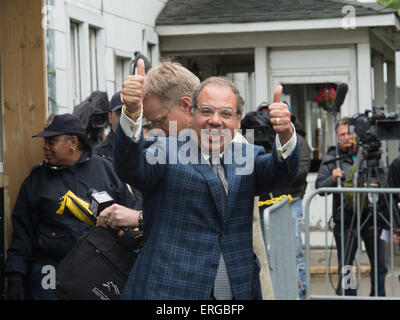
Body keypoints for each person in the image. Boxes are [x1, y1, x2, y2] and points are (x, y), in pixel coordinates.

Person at [113, 64, 300, 299]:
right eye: (207, 111)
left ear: (238, 120)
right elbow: (130, 166)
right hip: (170, 294)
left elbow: (283, 172)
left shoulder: (248, 156)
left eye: (226, 113)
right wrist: (131, 112)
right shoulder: (165, 150)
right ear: (191, 113)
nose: (215, 121)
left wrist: (286, 134)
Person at [4, 114, 141, 300]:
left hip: (99, 269)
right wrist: (15, 277)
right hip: (50, 271)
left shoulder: (108, 171)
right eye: (45, 141)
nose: (45, 147)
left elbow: (133, 217)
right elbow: (23, 235)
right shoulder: (36, 181)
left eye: (51, 141)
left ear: (73, 142)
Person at [316, 117, 387, 296]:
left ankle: (378, 296)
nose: (347, 137)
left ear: (355, 133)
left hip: (372, 218)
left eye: (349, 133)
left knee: (380, 264)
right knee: (347, 266)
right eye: (342, 134)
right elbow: (319, 187)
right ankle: (349, 296)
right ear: (337, 137)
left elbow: (384, 181)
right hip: (345, 219)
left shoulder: (370, 155)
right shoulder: (333, 157)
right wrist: (332, 178)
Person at [249, 104, 311, 300]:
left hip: (289, 204)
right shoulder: (253, 142)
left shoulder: (296, 140)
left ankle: (299, 294)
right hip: (264, 207)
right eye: (265, 117)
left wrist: (277, 166)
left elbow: (299, 172)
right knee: (266, 255)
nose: (269, 121)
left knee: (293, 254)